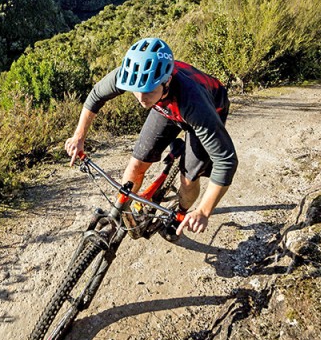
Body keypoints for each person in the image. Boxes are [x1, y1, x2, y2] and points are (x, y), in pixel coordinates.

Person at [64, 37, 237, 239]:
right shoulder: (134, 76)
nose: (141, 98)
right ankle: (124, 211)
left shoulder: (194, 102)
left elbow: (226, 160)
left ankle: (180, 213)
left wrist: (204, 211)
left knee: (188, 180)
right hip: (166, 106)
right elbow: (96, 96)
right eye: (136, 90)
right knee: (135, 166)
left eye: (148, 91)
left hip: (206, 108)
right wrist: (78, 137)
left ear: (167, 81)